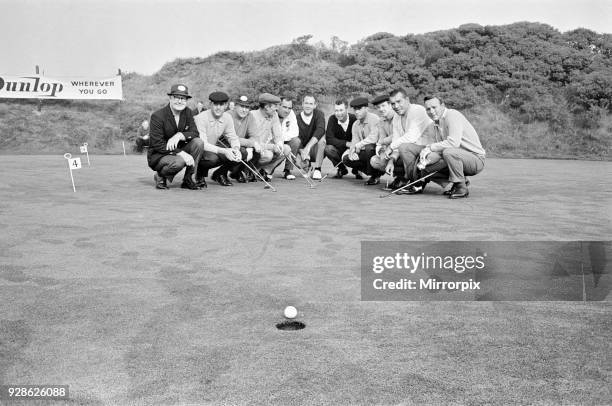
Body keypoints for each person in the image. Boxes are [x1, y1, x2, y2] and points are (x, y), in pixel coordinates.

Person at [398, 96, 485, 198]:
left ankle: (461, 186)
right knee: (406, 149)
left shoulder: (452, 116)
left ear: (443, 106)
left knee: (448, 152)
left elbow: (453, 143)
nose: (431, 111)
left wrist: (430, 148)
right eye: (428, 109)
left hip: (474, 159)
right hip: (451, 156)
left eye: (434, 107)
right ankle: (416, 182)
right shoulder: (434, 123)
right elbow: (437, 149)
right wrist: (424, 160)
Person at [147, 84, 204, 190]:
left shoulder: (187, 112)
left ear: (186, 100)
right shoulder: (157, 116)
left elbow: (195, 133)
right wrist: (181, 153)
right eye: (177, 97)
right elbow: (157, 144)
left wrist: (180, 135)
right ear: (170, 98)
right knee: (179, 162)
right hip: (160, 154)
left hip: (178, 149)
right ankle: (160, 176)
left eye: (183, 98)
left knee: (198, 143)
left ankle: (188, 179)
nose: (180, 101)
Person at [386, 88, 433, 189]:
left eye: (399, 102)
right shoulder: (397, 117)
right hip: (411, 151)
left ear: (407, 100)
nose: (396, 106)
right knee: (382, 160)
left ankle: (416, 182)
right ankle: (402, 177)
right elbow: (396, 140)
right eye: (393, 103)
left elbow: (411, 137)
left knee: (404, 148)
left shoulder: (418, 110)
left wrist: (390, 147)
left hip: (428, 149)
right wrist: (391, 160)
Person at [194, 91, 241, 187]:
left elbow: (232, 136)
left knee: (241, 153)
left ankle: (220, 174)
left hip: (213, 149)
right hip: (198, 151)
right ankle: (199, 175)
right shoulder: (201, 118)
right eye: (215, 104)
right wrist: (224, 151)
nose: (218, 107)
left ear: (226, 105)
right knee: (212, 159)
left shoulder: (227, 117)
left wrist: (236, 149)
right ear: (210, 104)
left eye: (221, 104)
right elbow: (203, 143)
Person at [250, 92, 290, 181]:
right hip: (254, 149)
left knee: (286, 149)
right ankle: (250, 171)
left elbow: (277, 133)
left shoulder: (274, 114)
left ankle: (264, 171)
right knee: (268, 155)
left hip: (265, 147)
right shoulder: (252, 116)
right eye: (275, 106)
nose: (277, 108)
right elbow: (255, 142)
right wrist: (272, 147)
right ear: (267, 107)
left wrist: (279, 143)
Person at [369, 94, 405, 188]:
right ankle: (397, 177)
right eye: (378, 107)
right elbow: (381, 138)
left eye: (383, 106)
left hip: (402, 150)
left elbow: (396, 137)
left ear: (390, 105)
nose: (381, 109)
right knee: (374, 160)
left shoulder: (399, 117)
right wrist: (381, 148)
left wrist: (384, 142)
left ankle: (403, 178)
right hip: (390, 150)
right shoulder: (381, 121)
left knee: (400, 156)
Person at [341, 97, 380, 184]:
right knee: (346, 159)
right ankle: (370, 172)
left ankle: (375, 175)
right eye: (355, 109)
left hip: (376, 152)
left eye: (359, 109)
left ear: (366, 108)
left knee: (369, 147)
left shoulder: (374, 119)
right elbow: (354, 140)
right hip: (363, 152)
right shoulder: (355, 124)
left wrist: (358, 146)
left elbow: (373, 138)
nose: (357, 112)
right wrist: (352, 152)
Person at [230, 95, 261, 182]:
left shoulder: (250, 116)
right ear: (235, 106)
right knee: (242, 151)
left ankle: (239, 172)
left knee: (257, 151)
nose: (244, 110)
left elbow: (255, 136)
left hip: (242, 144)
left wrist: (251, 147)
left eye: (247, 107)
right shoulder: (228, 115)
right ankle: (220, 173)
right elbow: (232, 138)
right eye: (242, 106)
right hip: (227, 144)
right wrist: (251, 144)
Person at [294, 95, 326, 180]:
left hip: (315, 149)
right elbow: (295, 137)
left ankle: (317, 170)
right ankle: (307, 167)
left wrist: (308, 147)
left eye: (311, 104)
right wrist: (302, 151)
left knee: (322, 140)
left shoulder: (319, 114)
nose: (308, 106)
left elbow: (321, 130)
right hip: (303, 151)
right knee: (295, 153)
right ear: (302, 104)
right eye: (306, 103)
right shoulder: (296, 118)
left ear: (315, 105)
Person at [324, 99, 356, 179]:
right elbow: (329, 139)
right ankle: (341, 168)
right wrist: (346, 143)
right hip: (339, 149)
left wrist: (352, 145)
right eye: (336, 110)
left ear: (346, 109)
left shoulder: (354, 119)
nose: (338, 113)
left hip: (353, 149)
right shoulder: (332, 119)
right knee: (328, 149)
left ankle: (357, 169)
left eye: (341, 110)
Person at [277, 97, 299, 180]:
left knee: (296, 141)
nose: (287, 110)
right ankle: (267, 170)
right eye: (284, 107)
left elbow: (295, 132)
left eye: (289, 108)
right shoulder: (273, 113)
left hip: (284, 141)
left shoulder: (291, 114)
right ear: (279, 106)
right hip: (272, 142)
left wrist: (282, 140)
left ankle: (288, 170)